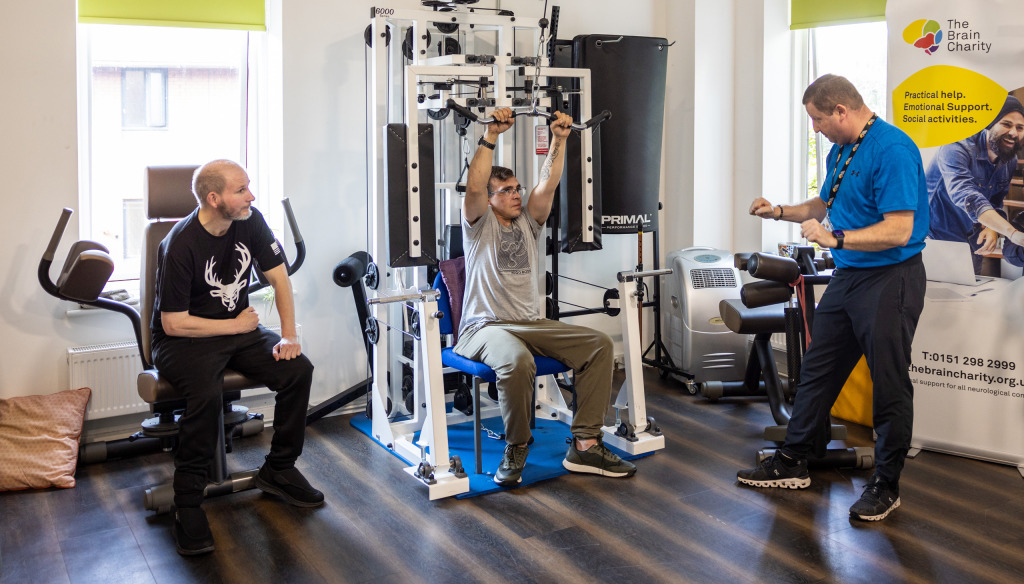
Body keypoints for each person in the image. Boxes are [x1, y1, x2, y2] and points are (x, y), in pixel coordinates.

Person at [738, 74, 929, 522]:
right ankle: (794, 459)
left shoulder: (893, 150)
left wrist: (835, 239)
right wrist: (779, 212)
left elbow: (900, 229)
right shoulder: (841, 149)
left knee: (889, 382)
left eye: (819, 120)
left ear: (841, 111)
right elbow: (824, 204)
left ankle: (886, 484)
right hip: (850, 278)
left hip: (891, 279)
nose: (816, 129)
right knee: (818, 368)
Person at [455, 108, 637, 486]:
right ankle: (517, 445)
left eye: (517, 188)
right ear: (489, 198)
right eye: (506, 191)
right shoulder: (478, 224)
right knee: (517, 360)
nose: (516, 195)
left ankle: (585, 444)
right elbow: (473, 188)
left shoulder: (528, 222)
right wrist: (491, 135)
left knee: (599, 345)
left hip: (530, 324)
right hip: (484, 327)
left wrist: (559, 139)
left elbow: (547, 185)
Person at [152, 159, 321, 556]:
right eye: (241, 190)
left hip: (237, 331)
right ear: (214, 199)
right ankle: (187, 503)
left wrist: (289, 335)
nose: (251, 196)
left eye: (248, 187)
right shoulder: (180, 244)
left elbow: (279, 277)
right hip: (184, 340)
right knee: (205, 395)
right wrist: (234, 326)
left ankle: (279, 469)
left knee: (298, 370)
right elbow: (173, 323)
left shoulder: (249, 220)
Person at [927, 95, 1024, 273]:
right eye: (1006, 124)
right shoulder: (956, 146)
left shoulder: (1009, 160)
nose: (1014, 133)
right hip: (935, 237)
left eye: (1020, 127)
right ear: (989, 124)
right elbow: (967, 196)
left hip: (972, 239)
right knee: (936, 290)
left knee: (970, 288)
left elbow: (996, 200)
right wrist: (1012, 233)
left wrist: (991, 227)